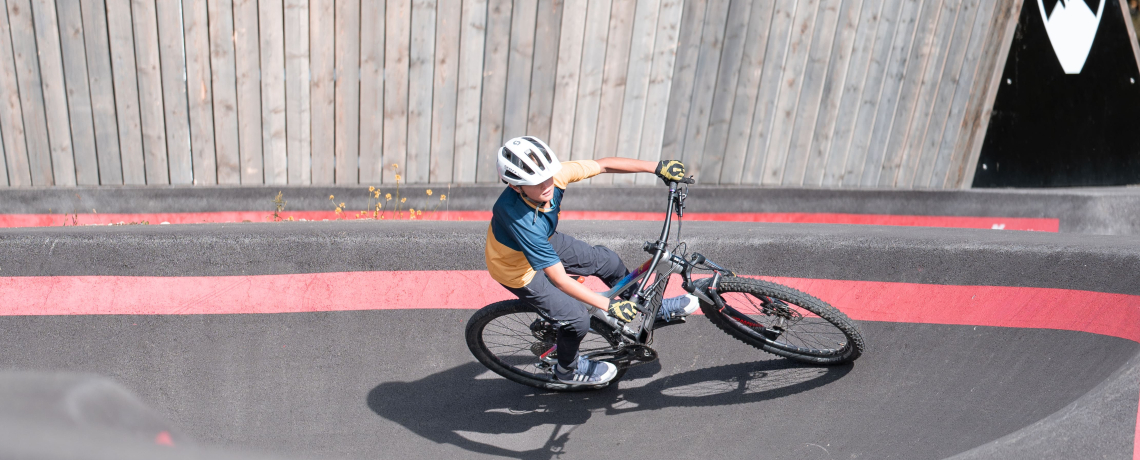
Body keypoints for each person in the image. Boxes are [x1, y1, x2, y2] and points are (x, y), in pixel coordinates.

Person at [485, 136, 698, 386]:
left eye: (548, 177)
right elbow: (559, 279)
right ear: (515, 187)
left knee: (607, 261)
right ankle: (567, 370)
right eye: (536, 183)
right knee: (577, 319)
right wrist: (608, 306)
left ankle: (654, 310)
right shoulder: (521, 221)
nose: (546, 186)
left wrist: (656, 166)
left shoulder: (556, 176)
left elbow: (604, 165)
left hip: (545, 240)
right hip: (516, 270)